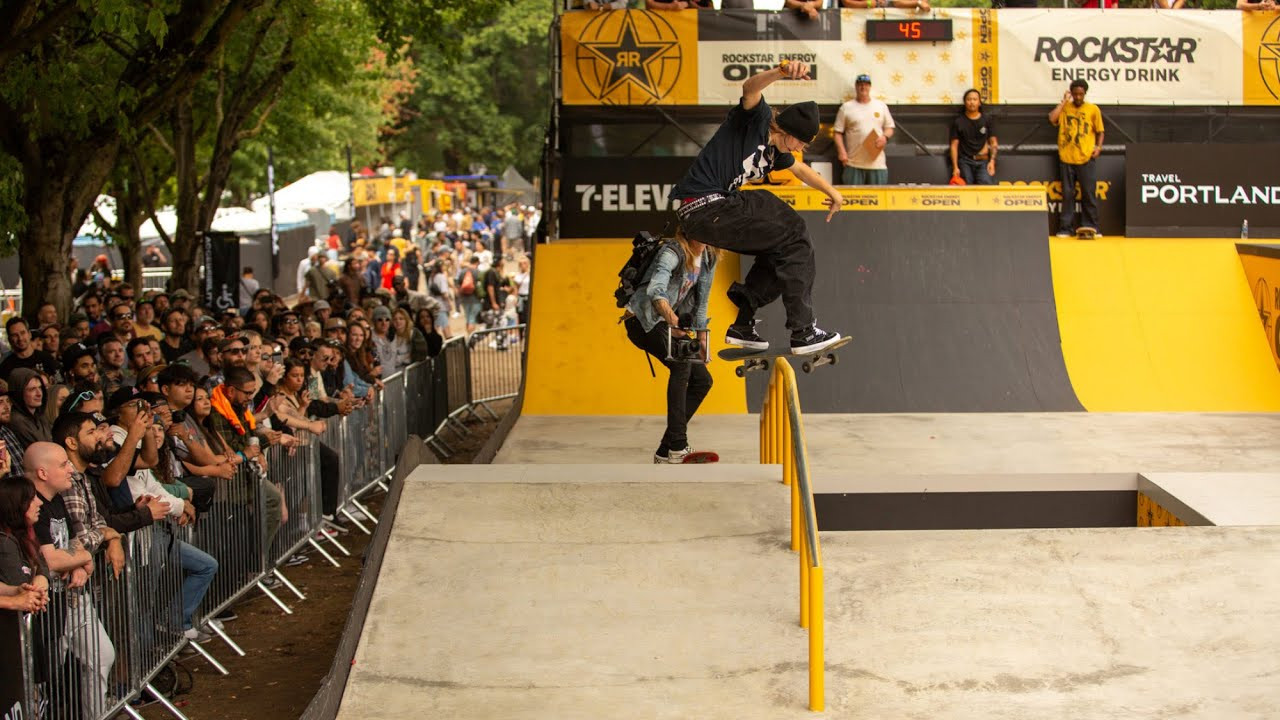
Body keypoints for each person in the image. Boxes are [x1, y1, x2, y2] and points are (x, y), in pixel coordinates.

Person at [670, 60, 842, 355]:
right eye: (799, 141)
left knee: (781, 250)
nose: (799, 148)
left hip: (710, 213)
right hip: (705, 204)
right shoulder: (756, 119)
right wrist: (780, 73)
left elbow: (801, 172)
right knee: (794, 231)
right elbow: (750, 88)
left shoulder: (777, 154)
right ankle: (803, 330)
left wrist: (832, 192)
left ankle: (743, 325)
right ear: (787, 129)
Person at [623, 232, 718, 463]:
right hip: (642, 321)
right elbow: (656, 289)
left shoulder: (708, 257)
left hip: (667, 324)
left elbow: (702, 300)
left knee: (702, 380)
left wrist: (702, 338)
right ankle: (678, 445)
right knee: (681, 363)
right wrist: (673, 320)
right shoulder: (672, 252)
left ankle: (665, 452)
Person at [1049, 79, 1105, 237]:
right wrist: (1064, 101)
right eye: (1075, 94)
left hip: (1086, 157)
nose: (1078, 97)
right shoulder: (1065, 108)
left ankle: (1092, 226)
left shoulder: (1093, 109)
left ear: (1085, 93)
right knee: (1067, 194)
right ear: (1071, 93)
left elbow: (1100, 131)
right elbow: (1052, 119)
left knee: (1088, 193)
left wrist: (1098, 147)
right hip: (1066, 158)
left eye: (1081, 94)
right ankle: (1066, 228)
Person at [834, 74, 895, 186]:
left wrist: (884, 137)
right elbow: (837, 132)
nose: (863, 87)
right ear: (856, 86)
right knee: (852, 200)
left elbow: (890, 127)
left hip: (877, 164)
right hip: (853, 163)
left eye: (866, 85)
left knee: (878, 200)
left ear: (870, 87)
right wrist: (842, 152)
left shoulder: (881, 106)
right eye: (860, 85)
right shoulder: (846, 108)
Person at [949, 89, 998, 186]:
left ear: (979, 102)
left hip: (983, 161)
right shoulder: (958, 122)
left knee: (986, 186)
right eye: (969, 99)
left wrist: (992, 161)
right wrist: (955, 167)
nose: (972, 102)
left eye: (975, 99)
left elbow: (993, 143)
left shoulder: (987, 120)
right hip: (965, 161)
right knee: (965, 188)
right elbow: (954, 146)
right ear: (965, 102)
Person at [0, 318, 58, 384]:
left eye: (23, 333)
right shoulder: (5, 367)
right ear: (9, 340)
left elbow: (59, 385)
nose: (20, 338)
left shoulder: (47, 359)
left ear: (29, 334)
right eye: (15, 335)